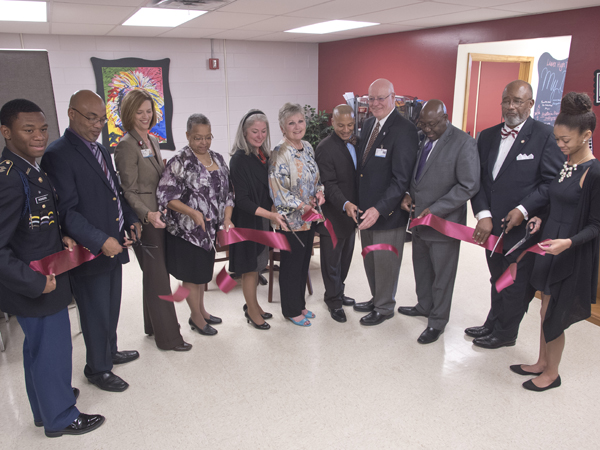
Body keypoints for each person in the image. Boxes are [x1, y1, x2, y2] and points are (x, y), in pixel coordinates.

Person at [0, 99, 105, 437]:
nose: (39, 136)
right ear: (6, 132)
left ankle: (45, 407)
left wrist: (61, 237)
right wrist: (34, 281)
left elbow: (29, 225)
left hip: (47, 269)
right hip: (36, 283)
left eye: (43, 129)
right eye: (28, 129)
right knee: (53, 350)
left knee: (37, 351)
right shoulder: (10, 178)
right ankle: (61, 416)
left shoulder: (29, 167)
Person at [42, 90, 141, 393]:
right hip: (90, 251)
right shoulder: (58, 154)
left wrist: (130, 219)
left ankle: (109, 350)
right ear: (71, 114)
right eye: (90, 118)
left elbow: (114, 191)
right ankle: (97, 369)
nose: (98, 124)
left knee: (110, 306)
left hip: (114, 245)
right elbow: (67, 211)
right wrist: (100, 241)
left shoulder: (98, 148)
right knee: (94, 310)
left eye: (102, 118)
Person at [513, 92, 599, 391]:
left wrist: (568, 243)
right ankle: (541, 362)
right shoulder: (567, 166)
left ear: (586, 136)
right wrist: (541, 219)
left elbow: (595, 226)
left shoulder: (594, 172)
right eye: (557, 139)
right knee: (544, 309)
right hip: (550, 244)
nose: (560, 145)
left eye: (565, 140)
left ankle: (552, 374)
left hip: (569, 253)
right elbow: (558, 202)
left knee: (555, 315)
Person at [468, 80, 564, 349]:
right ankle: (492, 323)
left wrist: (523, 210)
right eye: (506, 100)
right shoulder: (486, 136)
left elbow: (550, 183)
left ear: (530, 104)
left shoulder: (545, 136)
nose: (511, 106)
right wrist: (483, 214)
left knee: (514, 282)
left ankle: (506, 333)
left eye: (518, 101)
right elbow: (478, 181)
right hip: (490, 227)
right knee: (495, 277)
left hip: (522, 228)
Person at [114, 89, 191, 351]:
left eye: (149, 111)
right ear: (129, 114)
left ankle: (152, 326)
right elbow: (129, 190)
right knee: (159, 278)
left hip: (160, 218)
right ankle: (169, 338)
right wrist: (147, 214)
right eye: (140, 112)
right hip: (145, 221)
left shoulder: (152, 141)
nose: (145, 116)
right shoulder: (126, 145)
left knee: (154, 275)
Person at [398, 100, 480, 343]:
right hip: (419, 221)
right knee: (422, 269)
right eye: (423, 124)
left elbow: (469, 185)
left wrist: (435, 210)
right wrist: (408, 195)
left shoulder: (463, 143)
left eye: (433, 124)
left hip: (444, 224)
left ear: (446, 118)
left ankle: (437, 321)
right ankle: (424, 305)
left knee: (443, 276)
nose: (428, 129)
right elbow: (419, 175)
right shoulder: (423, 138)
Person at [157, 114, 234, 336]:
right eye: (198, 138)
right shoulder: (180, 162)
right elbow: (165, 196)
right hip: (187, 232)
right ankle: (196, 318)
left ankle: (202, 310)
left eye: (207, 137)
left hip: (209, 232)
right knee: (191, 276)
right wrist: (192, 212)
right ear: (188, 136)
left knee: (202, 274)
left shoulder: (218, 159)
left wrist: (227, 218)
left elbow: (229, 193)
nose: (203, 142)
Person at [353, 78, 419, 325]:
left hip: (387, 212)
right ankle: (376, 297)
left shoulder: (404, 130)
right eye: (371, 98)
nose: (375, 103)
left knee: (385, 261)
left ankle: (384, 306)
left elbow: (401, 179)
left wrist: (379, 209)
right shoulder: (369, 124)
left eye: (381, 98)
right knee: (370, 259)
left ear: (394, 98)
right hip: (364, 209)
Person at [228, 110, 287, 329]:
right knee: (249, 268)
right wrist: (271, 214)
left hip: (262, 218)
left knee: (259, 263)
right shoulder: (239, 159)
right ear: (244, 132)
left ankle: (254, 305)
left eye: (263, 131)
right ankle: (252, 311)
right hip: (247, 221)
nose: (259, 135)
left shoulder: (263, 154)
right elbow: (241, 200)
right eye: (254, 131)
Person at [269, 102, 324, 327]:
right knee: (291, 266)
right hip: (290, 222)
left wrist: (320, 194)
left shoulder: (308, 147)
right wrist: (303, 206)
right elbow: (277, 190)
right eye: (291, 123)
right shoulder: (279, 153)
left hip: (309, 219)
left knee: (303, 264)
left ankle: (299, 304)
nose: (297, 126)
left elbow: (316, 179)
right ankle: (290, 310)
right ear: (283, 128)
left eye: (300, 121)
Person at [315, 104, 359, 323]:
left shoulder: (356, 143)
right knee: (331, 262)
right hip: (333, 215)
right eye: (340, 125)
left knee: (345, 260)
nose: (345, 129)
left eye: (350, 125)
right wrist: (346, 203)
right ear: (332, 123)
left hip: (351, 217)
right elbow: (329, 184)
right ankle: (333, 301)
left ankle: (338, 292)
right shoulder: (324, 147)